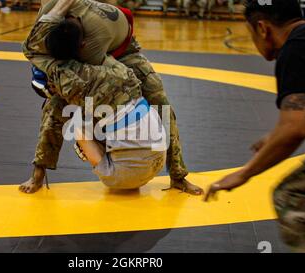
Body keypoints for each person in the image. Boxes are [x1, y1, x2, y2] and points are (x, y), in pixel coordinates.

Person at [21, 0, 203, 195]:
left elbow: (90, 77)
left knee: (161, 103)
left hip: (123, 54)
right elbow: (34, 48)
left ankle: (178, 175)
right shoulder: (48, 10)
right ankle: (39, 171)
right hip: (79, 46)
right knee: (54, 107)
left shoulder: (92, 42)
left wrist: (59, 84)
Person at [205, 0, 305, 253]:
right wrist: (275, 136)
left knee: (294, 196)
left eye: (251, 35)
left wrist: (244, 173)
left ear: (262, 28)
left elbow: (296, 129)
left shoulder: (296, 48)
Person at [26, 53, 167, 190]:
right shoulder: (118, 65)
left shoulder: (75, 89)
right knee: (122, 117)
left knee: (72, 122)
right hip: (160, 159)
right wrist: (177, 174)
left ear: (53, 84)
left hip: (122, 176)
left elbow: (60, 112)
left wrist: (40, 167)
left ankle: (38, 174)